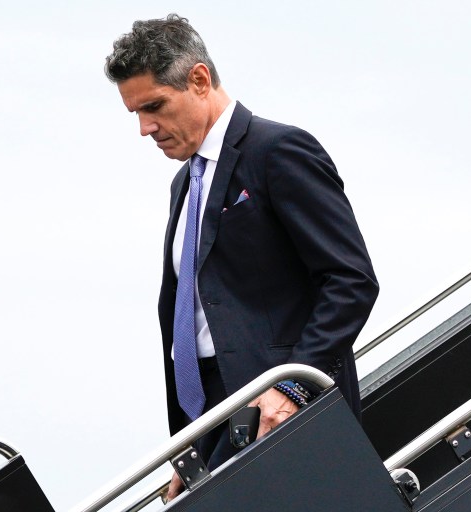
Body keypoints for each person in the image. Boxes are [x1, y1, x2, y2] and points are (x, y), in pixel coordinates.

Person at [105, 14, 379, 501]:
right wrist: (192, 443)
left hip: (281, 408)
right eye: (135, 114)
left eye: (154, 107)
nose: (146, 128)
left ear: (199, 80)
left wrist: (293, 386)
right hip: (215, 412)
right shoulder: (184, 184)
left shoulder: (277, 150)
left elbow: (350, 280)